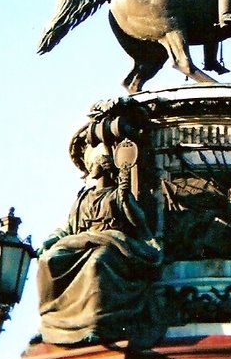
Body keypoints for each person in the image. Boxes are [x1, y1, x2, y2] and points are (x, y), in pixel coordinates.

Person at [36, 144, 164, 347]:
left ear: (104, 167)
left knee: (99, 261)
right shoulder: (83, 199)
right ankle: (51, 324)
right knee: (49, 260)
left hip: (111, 242)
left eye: (96, 162)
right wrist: (50, 241)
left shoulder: (117, 194)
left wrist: (125, 197)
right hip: (80, 243)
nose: (92, 166)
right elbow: (67, 228)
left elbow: (136, 221)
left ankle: (95, 324)